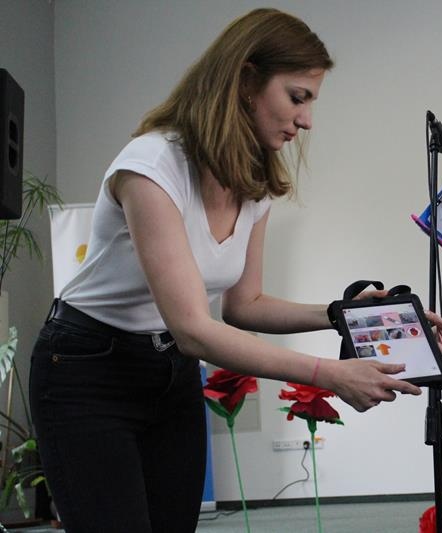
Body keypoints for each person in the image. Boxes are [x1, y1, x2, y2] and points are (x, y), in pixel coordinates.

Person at [28, 9, 420, 533]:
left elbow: (244, 305)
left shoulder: (252, 184)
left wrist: (340, 313)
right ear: (246, 80)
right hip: (87, 368)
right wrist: (329, 374)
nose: (307, 120)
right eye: (297, 97)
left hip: (169, 371)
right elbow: (194, 328)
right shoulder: (151, 167)